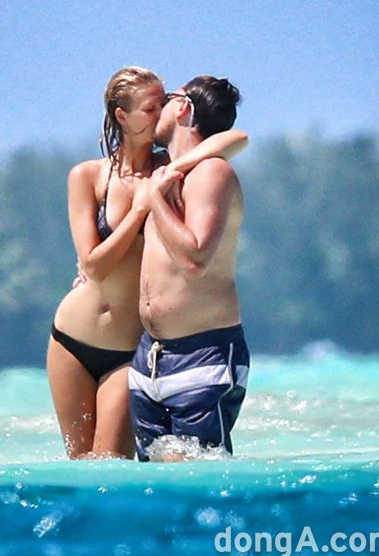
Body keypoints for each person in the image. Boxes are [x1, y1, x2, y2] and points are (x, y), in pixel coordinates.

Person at [47, 67, 248, 459]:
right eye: (151, 108)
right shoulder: (89, 175)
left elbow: (237, 138)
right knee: (80, 468)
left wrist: (168, 174)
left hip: (129, 348)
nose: (160, 114)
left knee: (109, 465)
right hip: (71, 337)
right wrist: (140, 208)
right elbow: (94, 266)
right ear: (123, 116)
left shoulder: (168, 168)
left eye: (164, 104)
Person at [128, 76, 250, 462]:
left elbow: (195, 259)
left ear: (182, 107)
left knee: (201, 484)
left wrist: (155, 198)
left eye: (165, 100)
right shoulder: (167, 172)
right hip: (150, 357)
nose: (156, 109)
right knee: (156, 487)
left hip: (203, 354)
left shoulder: (212, 173)